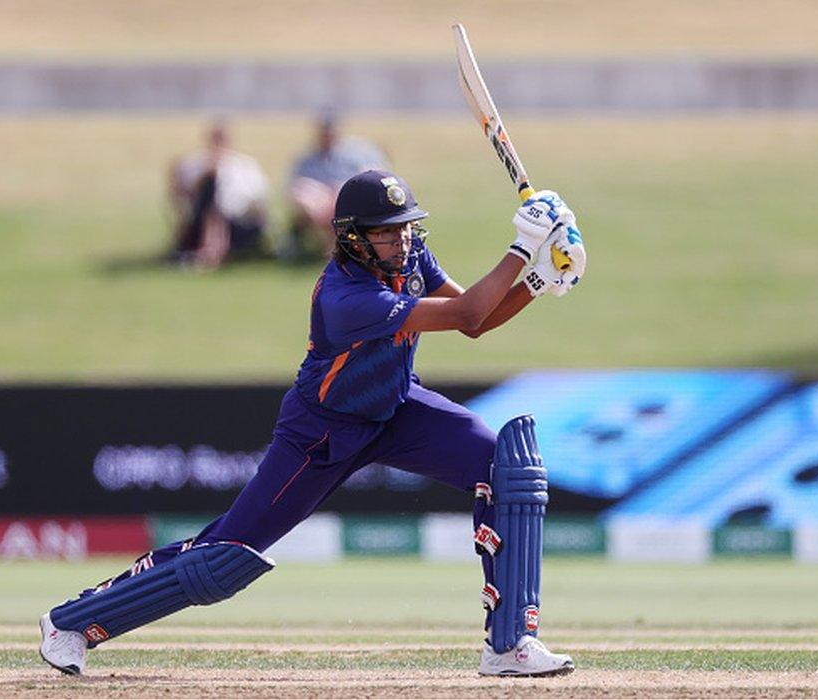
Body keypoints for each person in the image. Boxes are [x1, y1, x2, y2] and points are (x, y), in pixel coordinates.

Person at [39, 170, 587, 677]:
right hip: (323, 430)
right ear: (352, 237)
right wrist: (522, 246)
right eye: (386, 234)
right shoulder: (346, 297)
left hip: (396, 408)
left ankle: (510, 644)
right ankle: (72, 622)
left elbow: (476, 317)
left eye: (405, 229)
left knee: (508, 467)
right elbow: (467, 316)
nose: (401, 242)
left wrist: (540, 279)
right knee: (226, 557)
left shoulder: (411, 256)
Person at [285, 115, 389, 258]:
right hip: (317, 204)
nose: (327, 135)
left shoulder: (356, 154)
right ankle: (333, 245)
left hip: (345, 199)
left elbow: (373, 175)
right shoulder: (307, 160)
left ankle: (335, 246)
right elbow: (295, 185)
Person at [167, 122, 269, 268]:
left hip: (239, 224)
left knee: (219, 208)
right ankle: (209, 250)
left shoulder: (245, 165)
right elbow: (180, 193)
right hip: (201, 222)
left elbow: (259, 201)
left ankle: (210, 252)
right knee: (211, 192)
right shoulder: (195, 163)